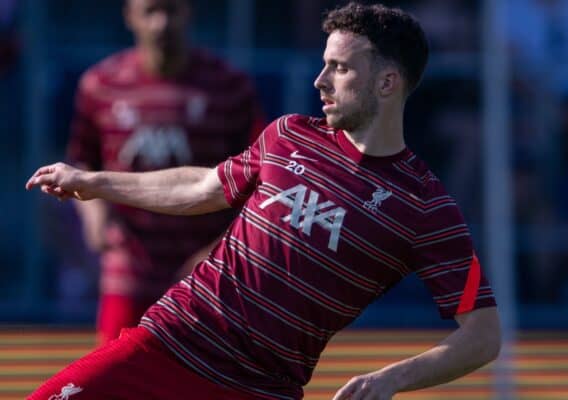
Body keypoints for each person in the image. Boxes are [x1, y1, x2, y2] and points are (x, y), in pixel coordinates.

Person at [26, 3, 501, 399]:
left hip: (261, 389)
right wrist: (94, 182)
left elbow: (483, 336)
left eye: (339, 68)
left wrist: (390, 379)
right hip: (169, 344)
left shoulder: (426, 207)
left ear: (386, 83)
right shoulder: (288, 134)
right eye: (323, 64)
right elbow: (202, 187)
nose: (320, 81)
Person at [67, 0, 264, 344]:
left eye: (170, 10)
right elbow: (83, 159)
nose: (161, 23)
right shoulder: (100, 85)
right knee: (115, 377)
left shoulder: (229, 87)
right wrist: (94, 215)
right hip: (130, 266)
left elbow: (260, 179)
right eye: (150, 11)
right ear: (130, 16)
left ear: (188, 12)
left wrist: (223, 248)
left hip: (206, 269)